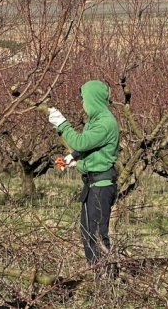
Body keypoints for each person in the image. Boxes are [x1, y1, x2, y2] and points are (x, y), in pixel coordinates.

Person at [47, 80, 120, 264]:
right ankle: (96, 273)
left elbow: (80, 142)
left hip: (101, 188)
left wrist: (61, 124)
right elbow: (90, 148)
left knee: (97, 235)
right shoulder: (95, 122)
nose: (82, 103)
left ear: (93, 99)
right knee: (87, 232)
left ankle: (105, 279)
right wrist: (74, 158)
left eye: (84, 99)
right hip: (93, 186)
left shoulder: (105, 123)